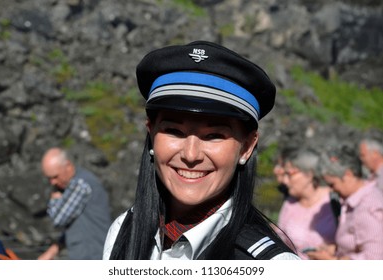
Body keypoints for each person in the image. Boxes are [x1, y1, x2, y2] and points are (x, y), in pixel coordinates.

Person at [103, 41, 299, 260]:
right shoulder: (123, 231)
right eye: (174, 131)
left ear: (246, 147)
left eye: (214, 135)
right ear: (151, 133)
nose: (191, 155)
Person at [307, 145, 383, 260]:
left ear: (348, 174)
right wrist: (337, 249)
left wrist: (332, 261)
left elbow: (375, 259)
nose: (332, 190)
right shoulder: (355, 202)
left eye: (332, 184)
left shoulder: (367, 208)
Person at [39, 147, 111, 260]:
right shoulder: (75, 185)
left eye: (55, 176)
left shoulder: (80, 184)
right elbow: (75, 225)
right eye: (49, 178)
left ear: (67, 165)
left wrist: (55, 199)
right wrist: (53, 250)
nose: (52, 182)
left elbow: (58, 219)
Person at [276, 147, 337, 259]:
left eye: (289, 174)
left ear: (309, 173)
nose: (285, 181)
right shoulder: (290, 204)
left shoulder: (334, 201)